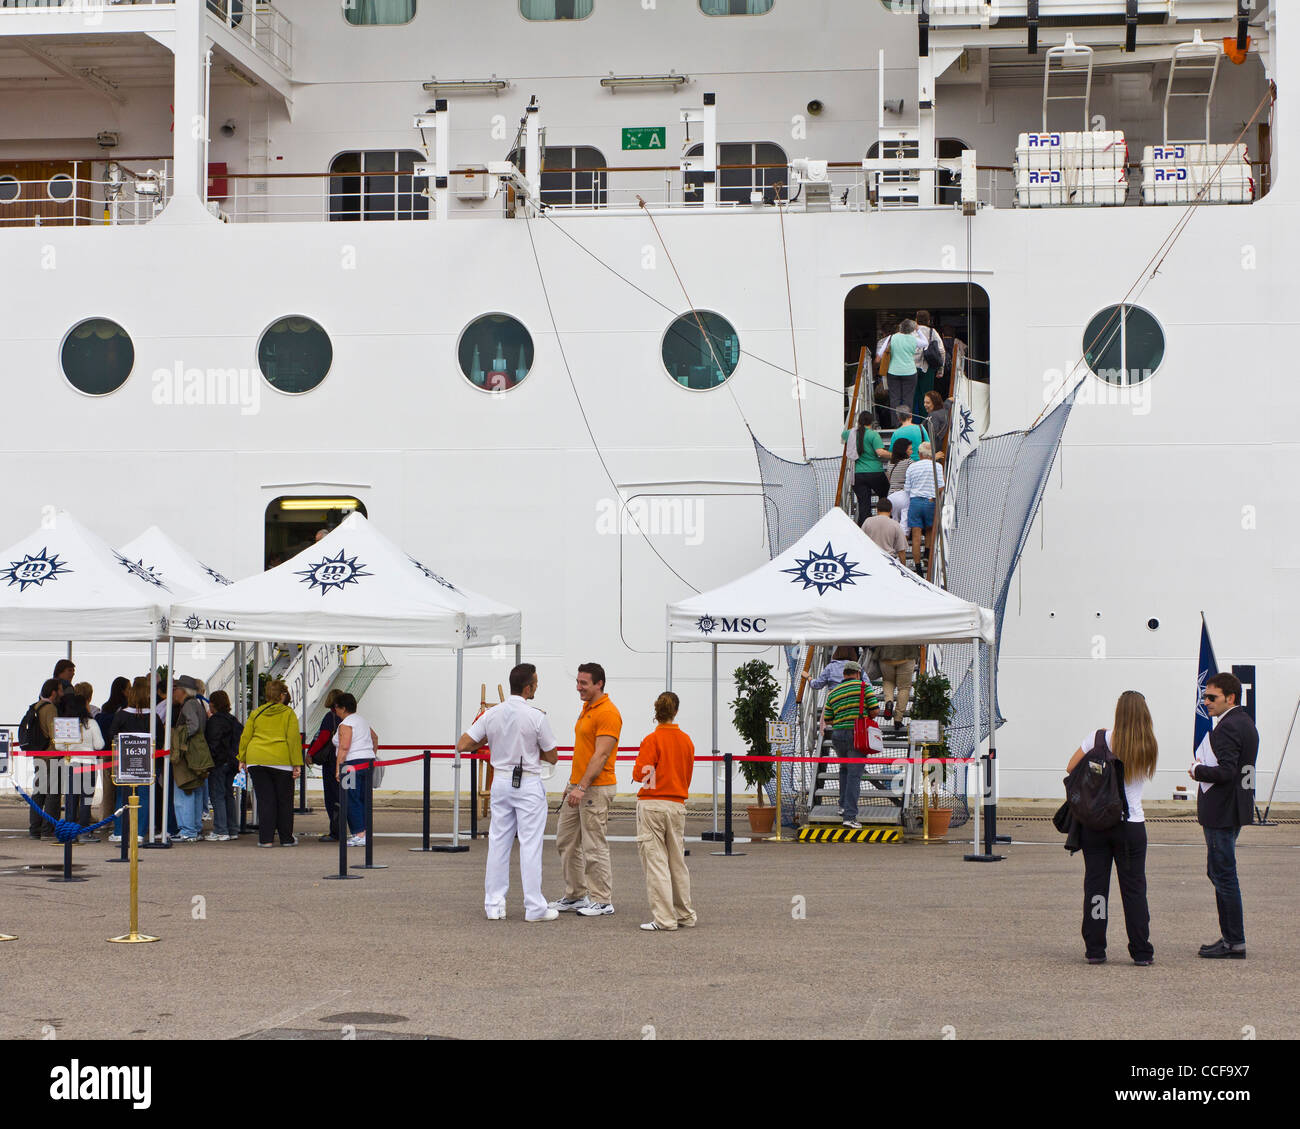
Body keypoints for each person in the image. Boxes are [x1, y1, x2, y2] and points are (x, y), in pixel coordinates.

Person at [457, 663, 560, 923]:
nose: (537, 686)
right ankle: (534, 906)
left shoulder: (492, 714)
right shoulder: (536, 716)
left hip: (500, 781)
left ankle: (494, 904)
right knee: (530, 844)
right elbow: (552, 756)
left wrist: (489, 740)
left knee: (498, 842)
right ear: (528, 687)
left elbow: (463, 744)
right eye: (535, 683)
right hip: (527, 781)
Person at [1066, 690, 1159, 965]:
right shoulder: (1148, 745)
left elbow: (1070, 767)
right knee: (1134, 890)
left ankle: (1095, 948)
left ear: (1118, 711)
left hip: (1095, 825)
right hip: (1131, 825)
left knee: (1096, 886)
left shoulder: (1097, 738)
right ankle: (1141, 950)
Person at [1190, 672, 1259, 959]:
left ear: (1230, 697)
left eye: (1211, 697)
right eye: (1205, 696)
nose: (1205, 702)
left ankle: (1234, 941)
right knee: (1219, 872)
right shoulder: (1245, 723)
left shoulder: (1229, 727)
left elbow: (1227, 771)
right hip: (1233, 809)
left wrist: (1197, 771)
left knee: (1224, 874)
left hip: (1221, 812)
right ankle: (1231, 938)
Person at [550, 662, 622, 917]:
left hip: (595, 788)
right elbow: (584, 751)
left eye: (584, 683)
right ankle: (576, 895)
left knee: (594, 844)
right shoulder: (587, 708)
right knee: (566, 840)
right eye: (578, 682)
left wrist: (581, 786)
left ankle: (602, 900)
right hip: (579, 786)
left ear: (599, 683)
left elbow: (601, 755)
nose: (578, 687)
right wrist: (572, 784)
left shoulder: (608, 713)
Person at [632, 692, 697, 932]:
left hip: (652, 804)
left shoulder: (652, 739)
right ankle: (685, 914)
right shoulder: (686, 741)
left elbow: (641, 773)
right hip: (677, 804)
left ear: (656, 711)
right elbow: (687, 775)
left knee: (656, 862)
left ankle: (664, 918)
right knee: (677, 862)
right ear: (676, 711)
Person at [238, 679, 303, 848]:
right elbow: (293, 739)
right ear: (282, 695)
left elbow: (246, 737)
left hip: (257, 759)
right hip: (281, 760)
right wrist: (297, 763)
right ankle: (286, 838)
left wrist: (242, 758)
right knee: (284, 801)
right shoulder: (288, 713)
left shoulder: (256, 713)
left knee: (265, 800)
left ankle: (265, 839)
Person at [823, 661, 880, 829]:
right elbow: (875, 710)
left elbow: (828, 719)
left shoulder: (834, 692)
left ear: (844, 674)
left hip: (838, 735)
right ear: (857, 673)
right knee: (855, 775)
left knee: (844, 770)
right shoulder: (863, 687)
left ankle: (842, 806)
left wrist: (842, 719)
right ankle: (849, 817)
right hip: (857, 735)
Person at [108, 676, 155, 844]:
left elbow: (111, 736)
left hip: (124, 761)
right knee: (143, 795)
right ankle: (139, 832)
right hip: (145, 762)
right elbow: (161, 737)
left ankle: (120, 830)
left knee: (122, 795)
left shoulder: (122, 715)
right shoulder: (152, 716)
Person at [332, 692, 379, 848]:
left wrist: (339, 768)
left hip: (351, 764)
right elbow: (375, 737)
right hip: (367, 762)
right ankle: (365, 831)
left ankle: (359, 833)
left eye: (336, 707)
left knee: (350, 797)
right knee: (364, 797)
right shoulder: (362, 721)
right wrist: (371, 753)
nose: (335, 711)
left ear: (343, 708)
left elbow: (344, 747)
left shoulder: (346, 724)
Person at [57, 690, 105, 841]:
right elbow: (99, 745)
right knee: (86, 800)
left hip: (71, 763)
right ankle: (84, 832)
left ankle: (70, 831)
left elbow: (58, 746)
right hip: (88, 765)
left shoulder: (65, 724)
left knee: (71, 799)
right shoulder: (91, 723)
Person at [169, 675, 211, 843]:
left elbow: (192, 727)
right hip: (198, 754)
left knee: (184, 790)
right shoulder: (198, 705)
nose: (173, 693)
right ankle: (194, 828)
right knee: (196, 791)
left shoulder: (187, 706)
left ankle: (187, 830)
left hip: (187, 755)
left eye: (175, 689)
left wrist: (178, 736)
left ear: (182, 691)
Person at [25, 678, 61, 839]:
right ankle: (49, 830)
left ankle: (35, 829)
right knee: (53, 794)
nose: (62, 693)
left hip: (38, 755)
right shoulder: (50, 709)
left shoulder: (35, 706)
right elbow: (55, 735)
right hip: (51, 755)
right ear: (53, 692)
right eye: (60, 690)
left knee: (39, 792)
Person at [204, 690, 243, 841]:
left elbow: (213, 744)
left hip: (219, 763)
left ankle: (221, 830)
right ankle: (232, 829)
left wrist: (209, 763)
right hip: (233, 762)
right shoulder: (233, 720)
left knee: (217, 796)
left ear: (213, 704)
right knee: (228, 795)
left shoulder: (214, 721)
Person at [306, 688, 343, 842]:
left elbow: (323, 737)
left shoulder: (330, 717)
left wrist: (310, 753)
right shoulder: (347, 718)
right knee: (343, 796)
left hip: (331, 762)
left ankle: (335, 831)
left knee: (332, 797)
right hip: (344, 761)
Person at [841, 411, 890, 522]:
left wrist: (854, 429)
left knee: (863, 505)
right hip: (875, 472)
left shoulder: (851, 433)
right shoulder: (873, 435)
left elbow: (843, 436)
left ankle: (864, 531)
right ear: (872, 422)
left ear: (859, 421)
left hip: (857, 474)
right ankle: (885, 521)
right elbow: (880, 452)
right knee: (886, 496)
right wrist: (894, 455)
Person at [904, 441, 945, 574]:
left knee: (916, 535)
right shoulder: (937, 466)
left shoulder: (912, 467)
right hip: (930, 501)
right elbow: (941, 486)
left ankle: (918, 567)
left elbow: (907, 488)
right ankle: (927, 554)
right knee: (929, 530)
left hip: (915, 502)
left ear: (920, 454)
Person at [886, 318, 920, 426]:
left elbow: (881, 352)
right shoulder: (914, 339)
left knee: (894, 398)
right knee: (908, 399)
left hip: (893, 371)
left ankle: (895, 423)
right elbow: (925, 342)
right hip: (910, 372)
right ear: (911, 329)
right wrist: (918, 330)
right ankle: (907, 423)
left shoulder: (893, 337)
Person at [876, 644, 918, 731]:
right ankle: (898, 719)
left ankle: (889, 702)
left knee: (888, 680)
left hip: (885, 655)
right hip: (907, 655)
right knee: (904, 688)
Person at [913, 310, 945, 418]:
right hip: (927, 368)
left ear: (916, 320)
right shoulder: (932, 331)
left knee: (912, 396)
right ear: (928, 320)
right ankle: (926, 422)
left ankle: (912, 422)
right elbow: (941, 351)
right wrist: (940, 369)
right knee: (926, 397)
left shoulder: (910, 332)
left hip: (911, 368)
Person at [862, 497, 907, 564]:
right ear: (891, 510)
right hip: (888, 561)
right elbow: (901, 551)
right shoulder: (895, 525)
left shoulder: (867, 521)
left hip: (871, 559)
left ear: (877, 509)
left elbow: (860, 541)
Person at [886, 437, 912, 533]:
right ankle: (903, 545)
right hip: (904, 496)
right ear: (904, 450)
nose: (912, 452)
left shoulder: (890, 463)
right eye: (910, 449)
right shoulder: (909, 462)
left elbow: (889, 479)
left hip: (891, 497)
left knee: (894, 524)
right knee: (904, 527)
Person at [923, 390, 950, 457]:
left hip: (933, 452)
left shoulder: (933, 416)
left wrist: (932, 456)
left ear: (935, 403)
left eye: (928, 403)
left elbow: (932, 437)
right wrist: (949, 400)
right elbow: (947, 404)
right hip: (940, 448)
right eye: (924, 402)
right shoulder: (944, 410)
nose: (925, 405)